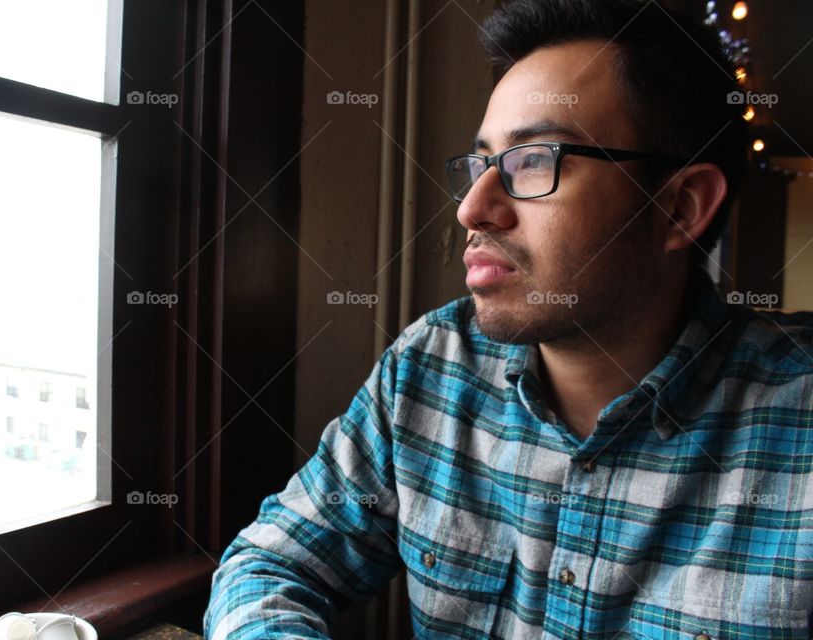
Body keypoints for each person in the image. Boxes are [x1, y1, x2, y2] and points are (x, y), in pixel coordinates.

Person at [204, 0, 813, 637]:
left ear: (681, 207)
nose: (472, 208)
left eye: (533, 162)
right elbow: (272, 562)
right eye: (481, 164)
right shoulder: (431, 369)